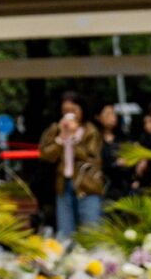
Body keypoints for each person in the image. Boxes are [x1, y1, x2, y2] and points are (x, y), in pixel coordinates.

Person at [38, 91, 106, 241]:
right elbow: (45, 155)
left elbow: (91, 158)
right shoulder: (56, 129)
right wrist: (61, 138)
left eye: (73, 110)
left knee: (91, 230)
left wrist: (75, 137)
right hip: (63, 184)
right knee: (66, 232)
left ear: (82, 110)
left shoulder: (90, 130)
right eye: (65, 111)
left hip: (87, 185)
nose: (70, 114)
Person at [97, 101, 134, 200]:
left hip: (125, 187)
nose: (112, 117)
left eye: (114, 113)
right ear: (98, 117)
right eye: (108, 114)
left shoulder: (124, 138)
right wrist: (115, 163)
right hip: (104, 188)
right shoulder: (95, 139)